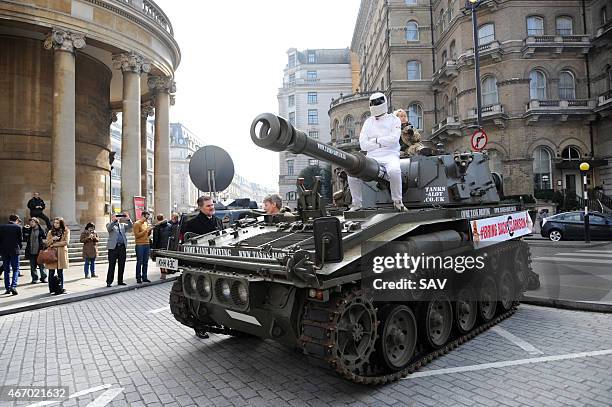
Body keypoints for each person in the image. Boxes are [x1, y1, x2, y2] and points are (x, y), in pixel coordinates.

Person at [347, 92, 407, 212]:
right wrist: (382, 142)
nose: (375, 105)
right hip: (372, 157)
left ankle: (397, 201)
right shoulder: (368, 122)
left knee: (394, 172)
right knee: (352, 174)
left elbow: (394, 139)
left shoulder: (394, 119)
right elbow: (363, 145)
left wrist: (374, 141)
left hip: (390, 155)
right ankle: (357, 204)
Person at [106, 212, 132, 287]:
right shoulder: (109, 224)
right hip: (113, 248)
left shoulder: (123, 225)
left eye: (118, 216)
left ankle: (120, 280)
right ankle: (109, 281)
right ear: (112, 218)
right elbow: (109, 228)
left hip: (122, 247)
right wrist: (114, 221)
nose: (117, 218)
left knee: (122, 265)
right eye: (115, 216)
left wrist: (128, 219)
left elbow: (130, 226)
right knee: (112, 265)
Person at [45, 217, 69, 295]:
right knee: (51, 272)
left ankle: (60, 288)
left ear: (61, 223)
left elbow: (65, 242)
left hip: (61, 254)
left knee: (60, 272)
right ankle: (51, 289)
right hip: (52, 253)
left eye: (57, 223)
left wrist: (54, 244)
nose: (55, 224)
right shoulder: (50, 232)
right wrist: (52, 239)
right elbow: (47, 243)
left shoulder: (66, 231)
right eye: (54, 222)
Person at [0, 215, 23, 295]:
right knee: (15, 269)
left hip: (4, 251)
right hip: (15, 250)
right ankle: (13, 286)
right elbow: (20, 240)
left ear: (9, 219)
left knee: (6, 270)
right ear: (16, 220)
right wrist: (19, 247)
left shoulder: (2, 227)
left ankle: (7, 288)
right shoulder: (18, 227)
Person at [22, 217, 47, 284]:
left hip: (39, 250)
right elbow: (24, 238)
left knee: (41, 265)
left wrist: (44, 248)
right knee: (33, 266)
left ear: (36, 222)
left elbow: (44, 239)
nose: (31, 223)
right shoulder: (29, 230)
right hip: (31, 250)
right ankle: (34, 279)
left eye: (32, 222)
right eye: (30, 222)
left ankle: (43, 278)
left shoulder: (41, 229)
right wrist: (24, 229)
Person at [133, 211, 153, 284]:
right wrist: (146, 230)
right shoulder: (137, 224)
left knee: (146, 262)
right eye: (146, 217)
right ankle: (138, 277)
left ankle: (144, 277)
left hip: (147, 244)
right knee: (139, 261)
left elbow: (147, 234)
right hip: (139, 245)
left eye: (148, 217)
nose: (147, 218)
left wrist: (150, 231)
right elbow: (137, 235)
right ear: (142, 216)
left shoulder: (146, 223)